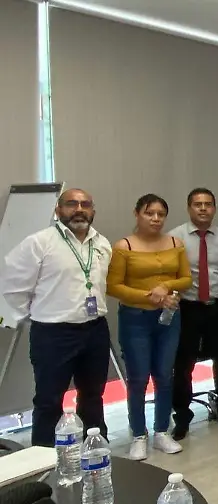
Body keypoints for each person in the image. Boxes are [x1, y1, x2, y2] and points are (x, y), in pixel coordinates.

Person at [1, 189, 112, 448]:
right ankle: (43, 457)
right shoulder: (39, 242)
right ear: (58, 210)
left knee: (93, 396)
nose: (79, 209)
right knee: (49, 400)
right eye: (71, 204)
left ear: (93, 211)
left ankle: (95, 450)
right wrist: (38, 315)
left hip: (95, 330)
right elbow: (13, 286)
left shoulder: (102, 243)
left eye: (85, 204)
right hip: (53, 334)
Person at [106, 194, 192, 459]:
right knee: (138, 378)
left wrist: (166, 287)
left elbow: (186, 278)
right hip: (135, 319)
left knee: (165, 375)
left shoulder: (175, 243)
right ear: (137, 214)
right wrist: (149, 296)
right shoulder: (124, 246)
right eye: (149, 213)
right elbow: (113, 286)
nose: (155, 219)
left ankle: (161, 431)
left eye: (160, 214)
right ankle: (138, 434)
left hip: (169, 317)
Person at [167, 188, 218, 441]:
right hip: (187, 308)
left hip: (216, 307)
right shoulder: (175, 238)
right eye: (197, 204)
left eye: (208, 204)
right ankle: (182, 416)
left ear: (214, 208)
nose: (203, 208)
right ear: (188, 208)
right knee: (184, 364)